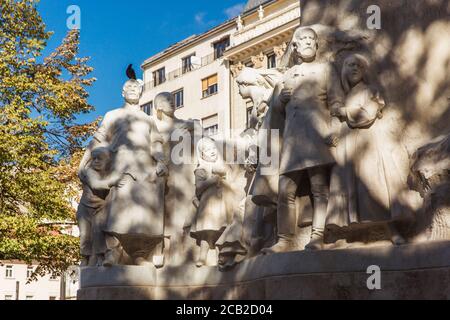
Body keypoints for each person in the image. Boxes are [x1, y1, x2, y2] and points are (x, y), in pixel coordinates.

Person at [262, 27, 345, 254]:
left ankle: (318, 235)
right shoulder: (287, 75)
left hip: (317, 133)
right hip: (292, 138)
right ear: (295, 47)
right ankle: (284, 239)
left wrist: (335, 128)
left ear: (317, 45)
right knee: (285, 189)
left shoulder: (326, 68)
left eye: (311, 39)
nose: (308, 42)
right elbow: (276, 110)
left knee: (319, 187)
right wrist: (280, 99)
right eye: (303, 40)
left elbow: (336, 100)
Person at [326, 53, 414, 245]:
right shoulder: (345, 96)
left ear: (365, 70)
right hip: (349, 147)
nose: (354, 68)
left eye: (358, 65)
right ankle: (355, 233)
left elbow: (367, 115)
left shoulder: (371, 90)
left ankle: (391, 230)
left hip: (369, 144)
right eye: (349, 65)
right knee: (353, 190)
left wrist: (344, 112)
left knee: (375, 187)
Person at [81, 77, 168, 267]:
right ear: (122, 92)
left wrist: (161, 161)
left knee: (143, 215)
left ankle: (139, 255)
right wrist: (83, 164)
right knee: (118, 210)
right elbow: (97, 140)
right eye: (129, 87)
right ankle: (113, 252)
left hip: (145, 170)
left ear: (141, 92)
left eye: (136, 87)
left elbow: (156, 143)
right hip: (119, 168)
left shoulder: (148, 119)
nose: (133, 90)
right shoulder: (112, 115)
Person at [190, 138, 234, 267]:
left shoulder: (223, 166)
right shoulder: (201, 169)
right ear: (202, 154)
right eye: (207, 150)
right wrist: (212, 180)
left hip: (223, 204)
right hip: (208, 205)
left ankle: (220, 257)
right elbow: (198, 188)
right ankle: (202, 257)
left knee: (222, 231)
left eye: (213, 148)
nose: (212, 152)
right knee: (206, 231)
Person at [77, 147, 120, 266]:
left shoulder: (110, 172)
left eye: (99, 159)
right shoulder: (90, 171)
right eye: (94, 158)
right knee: (85, 235)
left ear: (108, 161)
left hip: (101, 208)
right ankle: (85, 258)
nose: (96, 161)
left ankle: (103, 257)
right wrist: (113, 181)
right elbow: (96, 185)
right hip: (85, 210)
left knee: (99, 233)